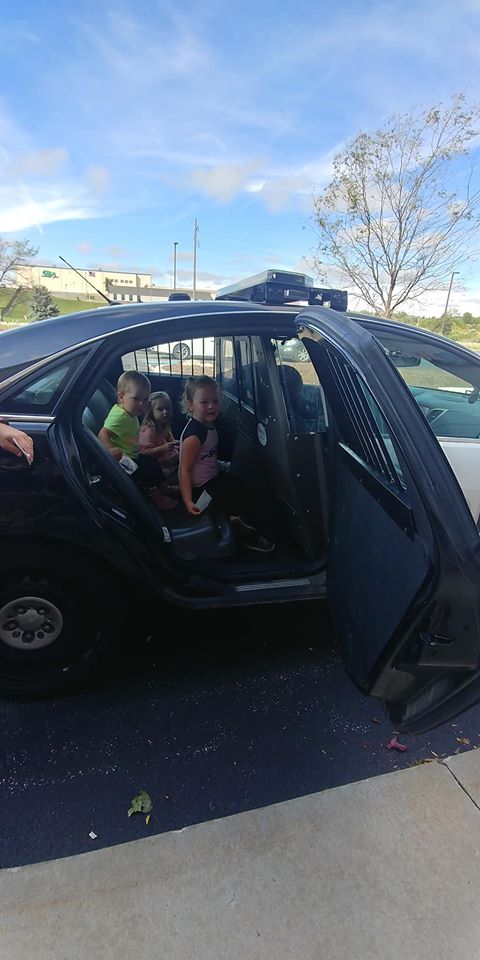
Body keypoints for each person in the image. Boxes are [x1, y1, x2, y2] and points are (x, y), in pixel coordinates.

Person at [179, 375, 274, 553]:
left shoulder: (208, 424)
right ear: (190, 405)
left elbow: (207, 457)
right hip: (201, 492)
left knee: (241, 487)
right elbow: (184, 470)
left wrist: (221, 465)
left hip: (211, 481)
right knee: (237, 497)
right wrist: (187, 501)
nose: (211, 406)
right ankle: (243, 532)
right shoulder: (194, 435)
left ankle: (240, 521)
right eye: (204, 402)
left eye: (215, 400)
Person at [98, 370, 164, 485]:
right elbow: (102, 433)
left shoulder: (129, 411)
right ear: (121, 397)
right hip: (124, 458)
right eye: (136, 398)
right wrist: (110, 448)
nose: (141, 404)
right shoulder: (120, 416)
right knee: (144, 476)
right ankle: (152, 492)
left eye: (145, 399)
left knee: (154, 464)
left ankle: (159, 488)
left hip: (133, 453)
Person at [139, 391, 179, 509]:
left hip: (170, 459)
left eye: (168, 408)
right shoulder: (149, 431)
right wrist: (165, 447)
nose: (165, 412)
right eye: (160, 409)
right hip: (161, 466)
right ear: (151, 411)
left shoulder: (164, 425)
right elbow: (144, 453)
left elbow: (169, 441)